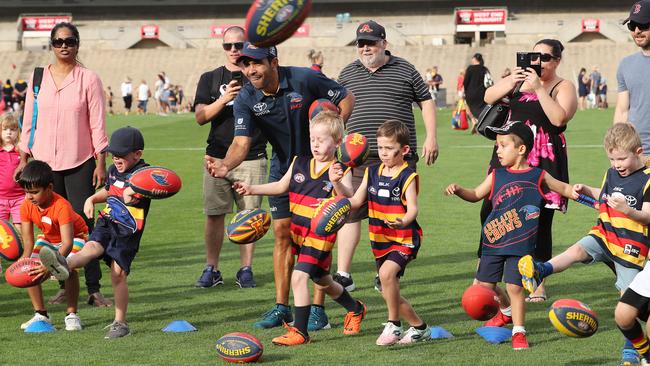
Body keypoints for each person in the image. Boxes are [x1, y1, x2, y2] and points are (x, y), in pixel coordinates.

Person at [205, 42, 354, 329]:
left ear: (274, 62)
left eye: (256, 63)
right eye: (246, 64)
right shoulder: (247, 96)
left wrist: (333, 130)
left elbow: (347, 97)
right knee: (282, 234)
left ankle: (317, 310)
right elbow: (241, 142)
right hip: (284, 168)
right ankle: (281, 307)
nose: (250, 70)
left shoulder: (304, 78)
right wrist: (225, 165)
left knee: (318, 233)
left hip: (321, 168)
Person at [518, 123, 650, 363]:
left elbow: (648, 215)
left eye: (621, 159)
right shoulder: (612, 173)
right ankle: (540, 271)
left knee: (626, 303)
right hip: (605, 232)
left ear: (639, 152)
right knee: (577, 250)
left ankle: (631, 350)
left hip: (631, 248)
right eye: (611, 159)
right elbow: (605, 195)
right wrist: (587, 190)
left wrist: (628, 210)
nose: (616, 164)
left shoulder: (647, 180)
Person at [234, 111, 366, 345]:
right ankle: (355, 309)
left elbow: (348, 198)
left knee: (298, 277)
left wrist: (336, 181)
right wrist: (252, 189)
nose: (315, 144)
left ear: (336, 142)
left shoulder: (339, 169)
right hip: (298, 233)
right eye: (312, 139)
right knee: (324, 281)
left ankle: (300, 332)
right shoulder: (300, 162)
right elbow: (281, 186)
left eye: (322, 140)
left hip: (319, 238)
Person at [447, 121, 575, 350]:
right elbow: (476, 194)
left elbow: (564, 189)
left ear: (521, 149)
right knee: (485, 286)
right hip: (493, 242)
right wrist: (459, 191)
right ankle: (505, 311)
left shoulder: (538, 175)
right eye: (497, 145)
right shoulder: (496, 175)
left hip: (521, 245)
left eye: (503, 145)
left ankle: (519, 332)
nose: (498, 150)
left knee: (515, 288)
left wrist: (579, 192)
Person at [336, 20, 438, 292]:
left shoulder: (406, 69)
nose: (365, 48)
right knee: (350, 211)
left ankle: (387, 272)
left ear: (384, 43)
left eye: (371, 42)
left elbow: (426, 101)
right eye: (361, 43)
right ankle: (343, 274)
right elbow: (337, 110)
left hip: (398, 158)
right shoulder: (347, 73)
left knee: (392, 215)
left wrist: (431, 136)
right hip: (357, 158)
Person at [17, 22, 111, 308]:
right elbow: (29, 120)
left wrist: (100, 162)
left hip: (80, 160)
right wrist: (23, 157)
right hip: (44, 162)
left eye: (69, 41)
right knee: (52, 227)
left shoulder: (88, 79)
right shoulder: (37, 78)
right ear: (51, 45)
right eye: (58, 42)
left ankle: (93, 289)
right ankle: (63, 284)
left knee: (85, 224)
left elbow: (97, 123)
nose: (64, 46)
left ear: (77, 43)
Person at [484, 39, 577, 303]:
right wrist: (511, 80)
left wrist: (538, 88)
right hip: (510, 154)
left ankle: (537, 281)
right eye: (535, 56)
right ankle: (491, 274)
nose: (539, 62)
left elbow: (559, 118)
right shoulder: (517, 82)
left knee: (540, 223)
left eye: (546, 58)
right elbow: (488, 97)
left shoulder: (563, 86)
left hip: (544, 158)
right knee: (491, 210)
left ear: (557, 60)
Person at [41, 126, 151, 339]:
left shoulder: (143, 173)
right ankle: (62, 264)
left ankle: (120, 322)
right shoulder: (112, 170)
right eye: (113, 153)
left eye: (122, 154)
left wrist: (135, 191)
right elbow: (110, 190)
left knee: (118, 274)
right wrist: (91, 199)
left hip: (127, 231)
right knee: (90, 247)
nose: (116, 158)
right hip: (107, 221)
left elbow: (155, 187)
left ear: (137, 154)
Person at [337, 120, 431, 345]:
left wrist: (403, 221)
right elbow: (356, 201)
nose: (384, 153)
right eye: (380, 148)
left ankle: (394, 325)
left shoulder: (407, 175)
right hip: (380, 241)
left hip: (405, 238)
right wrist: (336, 184)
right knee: (387, 288)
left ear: (404, 150)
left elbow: (414, 208)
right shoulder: (372, 172)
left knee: (387, 276)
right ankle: (420, 328)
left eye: (389, 148)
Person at [193, 26, 267, 289]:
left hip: (252, 156)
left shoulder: (259, 74)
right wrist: (224, 99)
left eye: (239, 45)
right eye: (229, 46)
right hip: (216, 157)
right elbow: (200, 117)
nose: (234, 50)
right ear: (223, 48)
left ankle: (246, 269)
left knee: (249, 215)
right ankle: (211, 268)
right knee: (214, 214)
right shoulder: (210, 78)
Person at [17, 160, 88, 331]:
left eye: (34, 192)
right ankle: (41, 314)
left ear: (49, 188)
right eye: (27, 192)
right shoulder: (26, 205)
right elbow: (28, 242)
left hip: (76, 237)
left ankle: (71, 315)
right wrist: (23, 260)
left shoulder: (61, 206)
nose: (29, 197)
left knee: (68, 267)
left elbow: (68, 243)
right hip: (48, 238)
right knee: (29, 267)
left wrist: (51, 264)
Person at [614, 0, 650, 161]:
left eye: (643, 25)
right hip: (635, 155)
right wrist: (615, 147)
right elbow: (622, 110)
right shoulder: (626, 65)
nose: (637, 31)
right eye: (632, 25)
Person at [0, 114, 24, 228]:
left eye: (12, 129)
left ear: (17, 132)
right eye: (5, 129)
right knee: (2, 230)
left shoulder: (21, 150)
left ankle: (24, 247)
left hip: (19, 198)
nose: (9, 132)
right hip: (1, 198)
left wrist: (22, 146)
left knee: (20, 228)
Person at [463, 53, 491, 134]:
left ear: (475, 59)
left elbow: (465, 82)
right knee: (481, 109)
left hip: (470, 93)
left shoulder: (470, 69)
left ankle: (473, 120)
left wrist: (465, 91)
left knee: (468, 107)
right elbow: (489, 82)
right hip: (482, 93)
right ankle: (480, 123)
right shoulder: (484, 69)